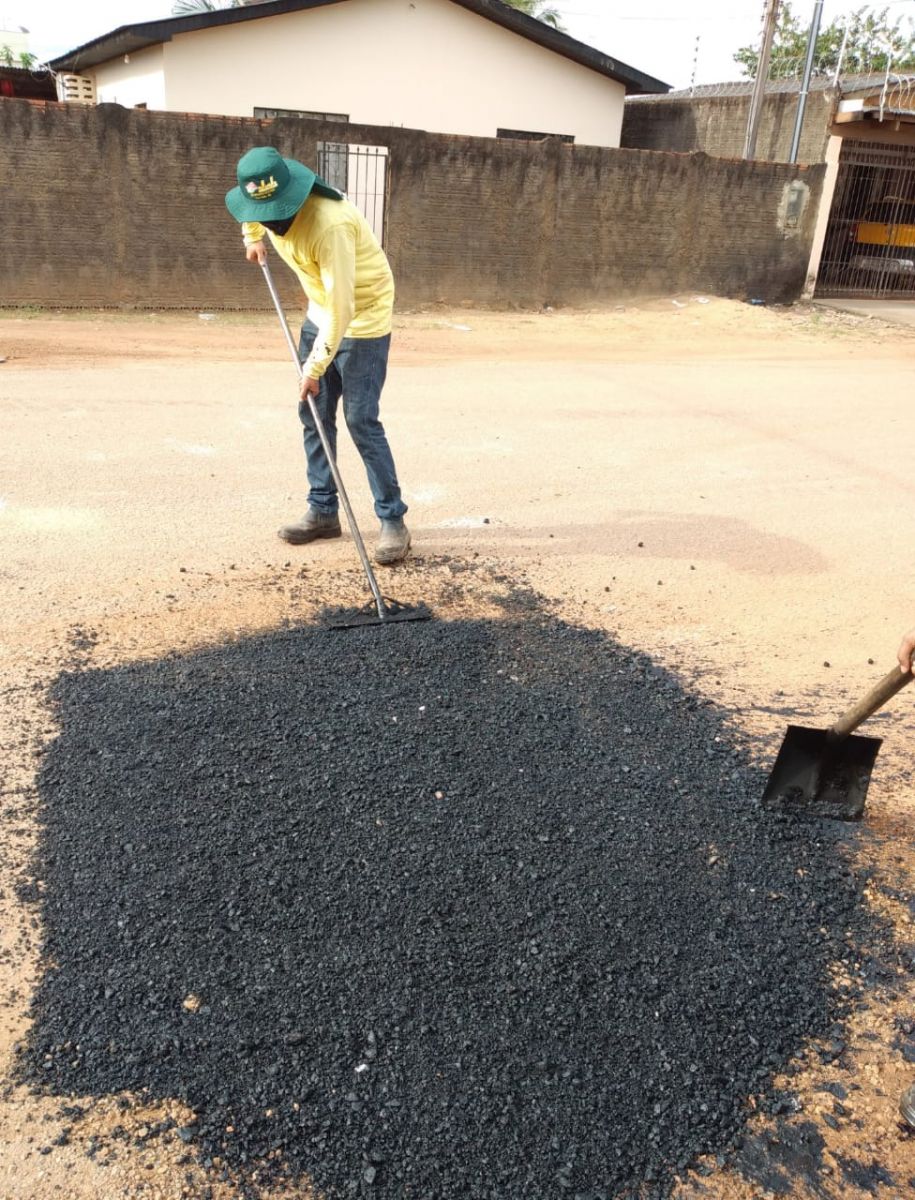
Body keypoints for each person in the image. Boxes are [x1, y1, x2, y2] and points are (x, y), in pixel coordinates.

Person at [225, 145, 410, 564]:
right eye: (262, 212)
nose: (269, 221)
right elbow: (253, 210)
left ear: (291, 198)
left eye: (274, 215)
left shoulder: (331, 226)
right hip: (319, 311)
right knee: (314, 413)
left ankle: (393, 519)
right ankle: (324, 510)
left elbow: (342, 307)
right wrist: (252, 237)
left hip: (362, 318)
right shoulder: (265, 199)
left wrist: (314, 367)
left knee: (361, 419)